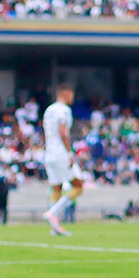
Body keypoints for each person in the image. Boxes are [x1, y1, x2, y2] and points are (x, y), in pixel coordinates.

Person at [42, 84, 82, 236]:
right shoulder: (63, 110)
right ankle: (52, 213)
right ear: (66, 93)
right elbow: (63, 133)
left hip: (49, 153)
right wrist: (70, 153)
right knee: (78, 185)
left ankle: (54, 228)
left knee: (56, 188)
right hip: (60, 154)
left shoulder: (48, 110)